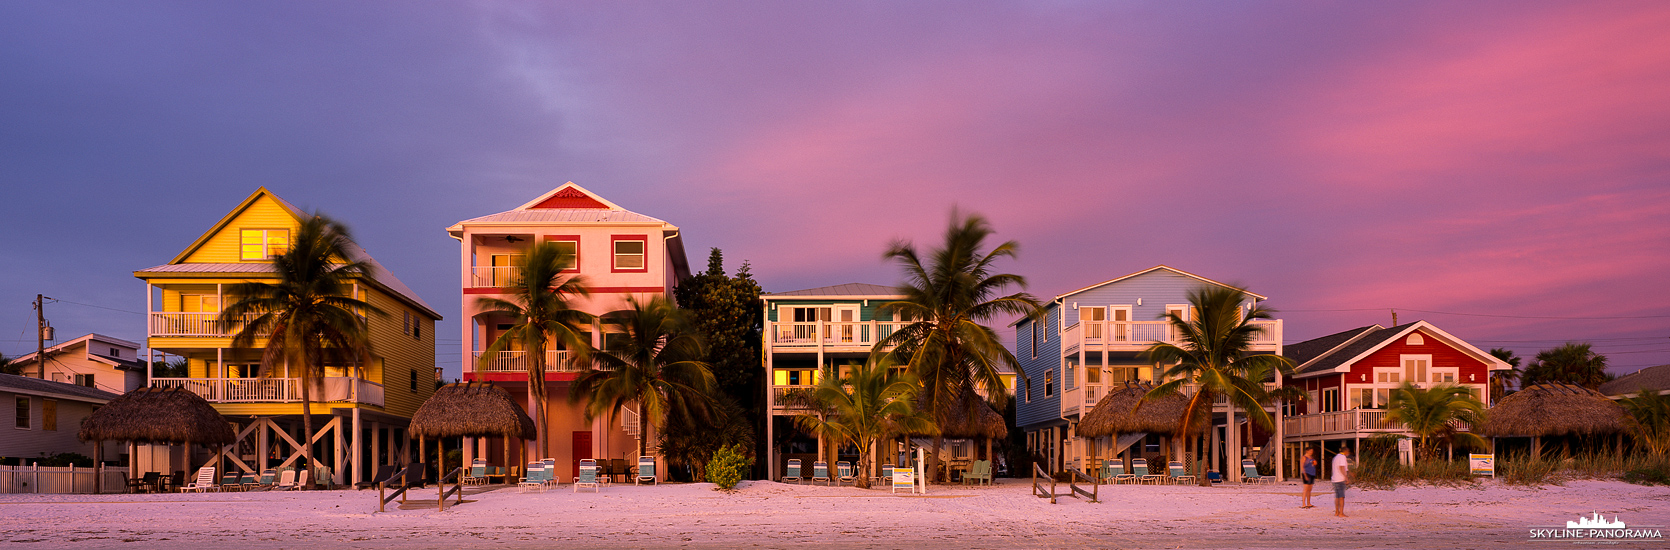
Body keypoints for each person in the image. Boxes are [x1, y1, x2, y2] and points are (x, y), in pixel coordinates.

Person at [1332, 446, 1353, 518]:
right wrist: (1346, 478)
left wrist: (1350, 474)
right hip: (1340, 479)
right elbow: (1342, 467)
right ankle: (1341, 513)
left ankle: (1337, 512)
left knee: (1337, 496)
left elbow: (1344, 468)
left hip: (1334, 479)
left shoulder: (1336, 457)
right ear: (1346, 451)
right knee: (1341, 497)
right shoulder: (1342, 457)